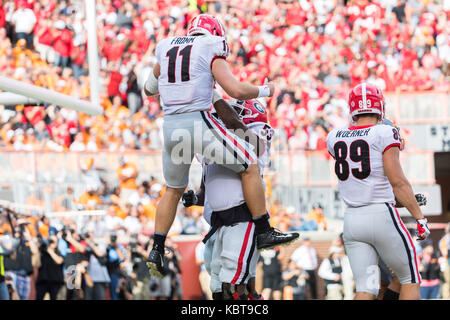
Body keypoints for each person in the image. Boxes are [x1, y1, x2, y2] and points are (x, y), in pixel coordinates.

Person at [144, 14, 298, 278]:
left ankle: (157, 247)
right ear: (215, 34)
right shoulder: (210, 46)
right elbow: (235, 90)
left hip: (170, 127)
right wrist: (265, 90)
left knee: (172, 189)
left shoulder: (165, 45)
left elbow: (149, 88)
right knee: (248, 163)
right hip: (198, 122)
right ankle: (263, 229)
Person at [326, 82, 430, 300]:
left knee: (366, 288)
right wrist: (419, 218)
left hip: (352, 220)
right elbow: (398, 182)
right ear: (380, 106)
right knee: (409, 279)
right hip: (381, 215)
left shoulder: (334, 136)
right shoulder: (384, 132)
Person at [183, 98, 275, 300]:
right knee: (219, 288)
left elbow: (235, 124)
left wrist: (213, 96)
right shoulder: (218, 150)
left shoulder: (252, 142)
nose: (225, 116)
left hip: (241, 219)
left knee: (235, 288)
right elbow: (205, 193)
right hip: (218, 224)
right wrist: (193, 199)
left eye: (236, 111)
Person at [35, 234, 65, 300]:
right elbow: (37, 264)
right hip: (43, 281)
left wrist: (49, 249)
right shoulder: (43, 252)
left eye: (54, 241)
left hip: (55, 282)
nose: (52, 243)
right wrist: (38, 250)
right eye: (50, 241)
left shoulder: (58, 253)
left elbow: (59, 261)